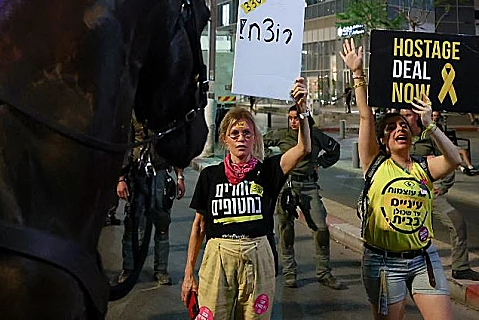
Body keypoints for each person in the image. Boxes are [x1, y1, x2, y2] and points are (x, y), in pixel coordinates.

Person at [340, 39, 460, 320]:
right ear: (383, 139)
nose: (399, 130)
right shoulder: (375, 163)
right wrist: (358, 73)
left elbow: (453, 159)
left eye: (404, 126)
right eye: (392, 128)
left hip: (423, 259)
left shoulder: (423, 167)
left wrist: (430, 124)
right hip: (383, 263)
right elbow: (366, 117)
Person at [181, 77, 310, 319]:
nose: (241, 138)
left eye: (247, 133)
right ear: (225, 139)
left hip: (257, 254)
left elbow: (303, 148)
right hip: (217, 255)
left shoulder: (269, 171)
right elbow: (199, 226)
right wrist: (189, 273)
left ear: (254, 139)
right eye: (235, 133)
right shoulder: (210, 176)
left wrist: (302, 113)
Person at [265, 109, 344, 289]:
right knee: (286, 228)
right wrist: (275, 162)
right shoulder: (283, 135)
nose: (293, 122)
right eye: (290, 118)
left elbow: (335, 150)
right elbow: (260, 143)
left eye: (297, 118)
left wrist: (320, 163)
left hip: (309, 186)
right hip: (287, 186)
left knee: (321, 228)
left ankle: (324, 273)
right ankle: (289, 272)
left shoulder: (315, 135)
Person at [117, 117, 185, 285]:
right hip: (136, 173)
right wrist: (121, 178)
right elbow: (124, 144)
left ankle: (161, 269)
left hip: (161, 174)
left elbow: (175, 147)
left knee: (162, 223)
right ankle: (129, 269)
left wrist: (180, 177)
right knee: (132, 224)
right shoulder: (134, 111)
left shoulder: (167, 112)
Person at [412, 112, 479, 281]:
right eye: (404, 114)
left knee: (456, 222)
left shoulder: (431, 134)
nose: (408, 118)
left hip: (427, 191)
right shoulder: (395, 133)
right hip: (402, 193)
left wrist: (442, 187)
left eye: (410, 114)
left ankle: (460, 267)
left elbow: (449, 158)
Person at [432, 110, 478, 175]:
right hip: (437, 146)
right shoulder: (429, 126)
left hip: (446, 144)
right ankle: (462, 168)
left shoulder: (439, 126)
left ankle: (470, 167)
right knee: (450, 157)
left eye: (437, 116)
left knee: (463, 151)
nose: (436, 117)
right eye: (434, 116)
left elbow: (443, 136)